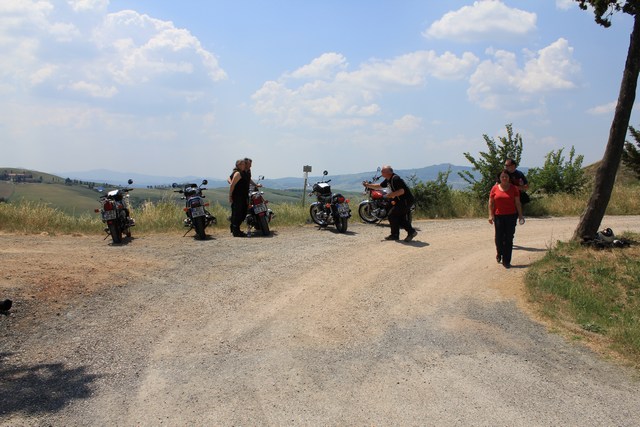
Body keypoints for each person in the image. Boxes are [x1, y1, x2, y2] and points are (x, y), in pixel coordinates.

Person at [363, 165, 417, 242]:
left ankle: (401, 234)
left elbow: (401, 191)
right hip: (401, 201)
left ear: (388, 172)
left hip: (405, 200)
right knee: (398, 217)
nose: (381, 173)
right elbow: (379, 186)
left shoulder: (395, 179)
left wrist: (390, 195)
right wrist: (368, 185)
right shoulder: (388, 179)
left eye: (382, 171)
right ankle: (402, 233)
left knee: (392, 215)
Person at [489, 169, 525, 268]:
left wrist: (520, 216)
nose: (504, 178)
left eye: (506, 177)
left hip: (511, 216)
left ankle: (506, 260)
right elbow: (491, 202)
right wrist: (490, 215)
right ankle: (499, 252)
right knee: (499, 238)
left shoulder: (514, 188)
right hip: (498, 216)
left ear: (509, 178)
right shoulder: (494, 188)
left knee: (509, 238)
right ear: (499, 178)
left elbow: (517, 203)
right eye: (502, 177)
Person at [229, 159, 250, 237]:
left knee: (243, 213)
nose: (244, 165)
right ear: (238, 165)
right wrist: (230, 196)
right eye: (242, 164)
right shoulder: (238, 173)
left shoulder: (244, 173)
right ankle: (236, 231)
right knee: (238, 213)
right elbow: (232, 185)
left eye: (244, 164)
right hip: (238, 196)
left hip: (244, 196)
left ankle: (235, 229)